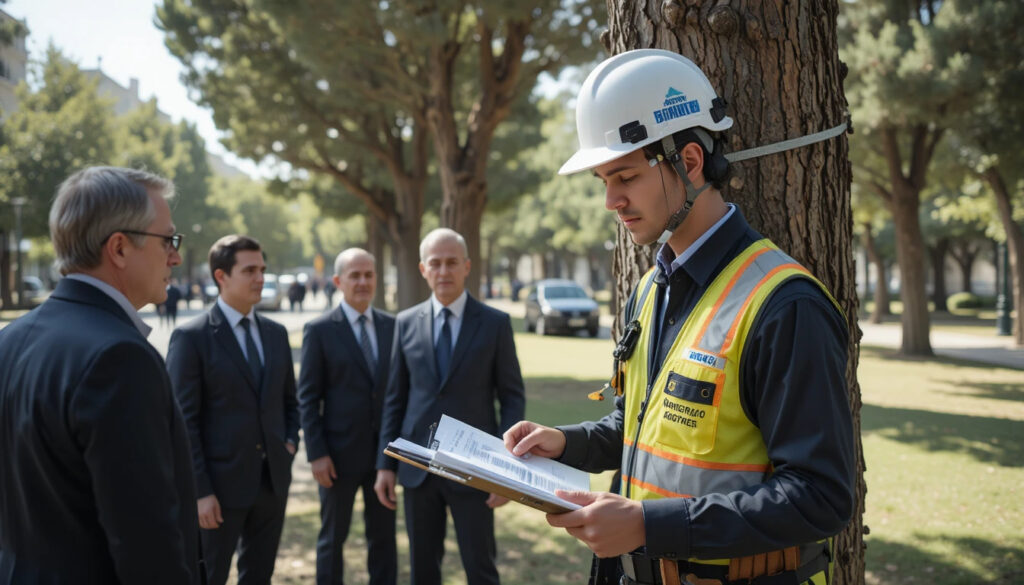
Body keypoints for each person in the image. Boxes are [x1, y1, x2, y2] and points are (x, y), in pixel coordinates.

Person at [503, 49, 854, 585]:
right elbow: (642, 426)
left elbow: (821, 498)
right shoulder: (650, 290)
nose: (611, 201)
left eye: (624, 176)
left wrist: (648, 525)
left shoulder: (785, 306)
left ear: (689, 162)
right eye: (602, 180)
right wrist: (565, 441)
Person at [0, 166, 200, 583]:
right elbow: (147, 545)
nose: (176, 256)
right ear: (120, 248)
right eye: (169, 240)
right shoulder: (119, 358)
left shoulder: (10, 340)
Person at [375, 228, 526, 585]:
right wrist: (385, 464)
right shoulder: (406, 322)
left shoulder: (495, 323)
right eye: (436, 263)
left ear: (467, 266)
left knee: (481, 569)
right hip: (417, 469)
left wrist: (505, 470)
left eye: (451, 263)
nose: (444, 271)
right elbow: (395, 398)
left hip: (476, 469)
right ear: (423, 269)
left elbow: (512, 397)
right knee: (422, 570)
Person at [166, 234, 301, 585]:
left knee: (259, 576)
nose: (260, 278)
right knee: (208, 577)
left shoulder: (276, 334)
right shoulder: (192, 337)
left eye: (263, 269)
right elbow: (182, 423)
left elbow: (290, 401)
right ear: (220, 276)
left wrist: (288, 443)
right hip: (217, 492)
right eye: (250, 270)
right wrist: (200, 491)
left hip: (271, 484)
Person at [299, 248, 397, 585]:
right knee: (332, 539)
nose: (363, 282)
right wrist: (317, 453)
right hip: (336, 458)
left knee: (383, 540)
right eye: (355, 275)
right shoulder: (320, 330)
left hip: (385, 456)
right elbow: (307, 399)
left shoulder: (393, 326)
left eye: (369, 274)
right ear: (338, 281)